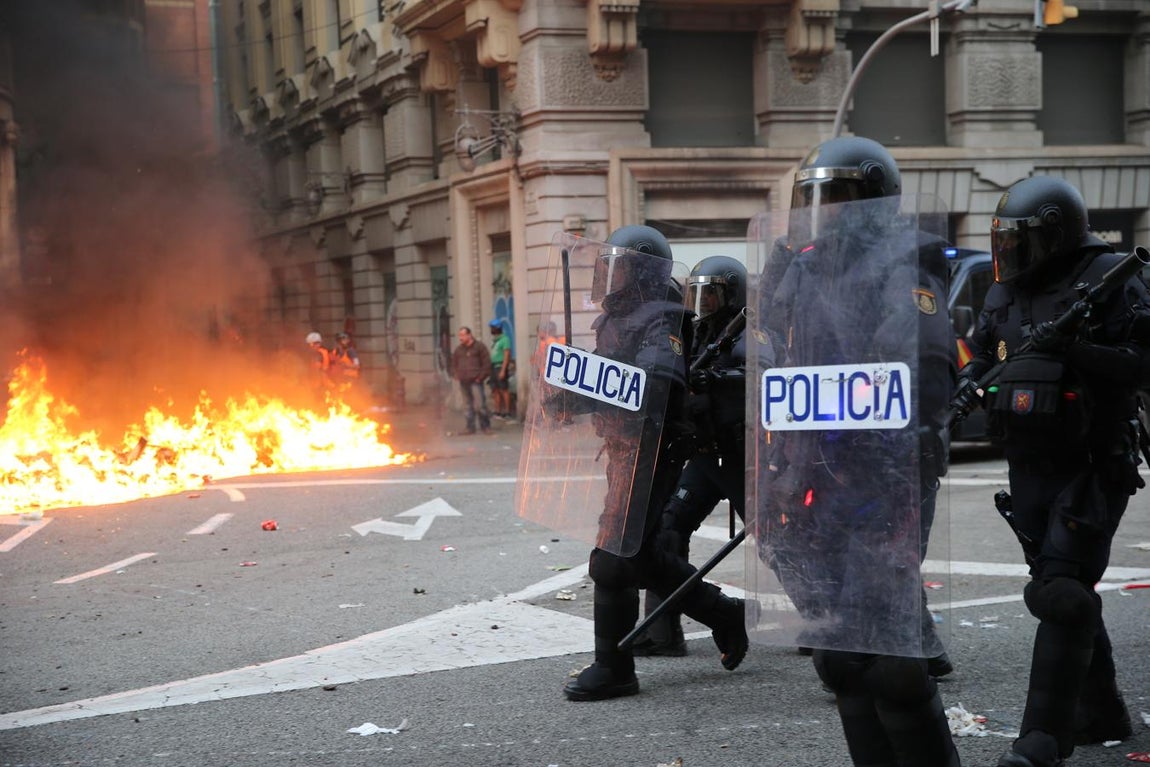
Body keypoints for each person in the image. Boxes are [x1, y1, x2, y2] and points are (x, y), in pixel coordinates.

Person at [756, 136, 960, 766]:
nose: (821, 212)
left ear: (871, 197)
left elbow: (921, 364)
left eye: (834, 198)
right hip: (816, 473)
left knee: (892, 665)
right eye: (811, 199)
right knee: (841, 656)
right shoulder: (805, 266)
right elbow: (777, 345)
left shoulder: (905, 262)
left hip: (884, 476)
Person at [953, 175, 1147, 767]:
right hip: (1028, 464)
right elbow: (986, 352)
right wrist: (968, 382)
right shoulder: (1003, 293)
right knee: (1067, 588)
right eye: (1003, 241)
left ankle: (1041, 743)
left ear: (1057, 235)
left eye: (1022, 240)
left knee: (1059, 591)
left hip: (1094, 460)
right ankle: (1102, 710)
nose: (1010, 252)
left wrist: (1075, 352)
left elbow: (1142, 365)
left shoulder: (1113, 279)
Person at [553, 225, 748, 702]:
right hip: (622, 447)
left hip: (655, 450)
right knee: (640, 557)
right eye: (607, 266)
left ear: (642, 273)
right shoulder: (614, 320)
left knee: (614, 559)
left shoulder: (662, 318)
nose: (609, 276)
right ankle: (725, 614)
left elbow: (658, 382)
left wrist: (603, 384)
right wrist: (566, 395)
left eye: (619, 267)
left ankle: (614, 667)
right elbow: (608, 378)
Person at [631, 254, 748, 657]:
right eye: (697, 294)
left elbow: (762, 379)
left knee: (781, 543)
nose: (703, 303)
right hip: (701, 457)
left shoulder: (750, 333)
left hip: (739, 458)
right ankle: (663, 630)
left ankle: (822, 627)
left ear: (732, 294)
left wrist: (715, 379)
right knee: (666, 533)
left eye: (712, 294)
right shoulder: (694, 333)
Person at [450, 326, 492, 435]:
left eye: (463, 335)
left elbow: (486, 363)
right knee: (467, 405)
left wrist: (480, 377)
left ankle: (485, 426)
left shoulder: (479, 347)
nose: (461, 338)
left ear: (469, 335)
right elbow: (453, 363)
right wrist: (456, 374)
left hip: (476, 381)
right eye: (460, 335)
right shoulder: (459, 350)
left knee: (480, 404)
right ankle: (470, 427)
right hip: (464, 381)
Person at [488, 319, 514, 419]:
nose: (491, 330)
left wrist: (503, 370)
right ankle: (497, 411)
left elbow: (506, 355)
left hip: (500, 366)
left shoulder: (505, 339)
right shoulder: (495, 340)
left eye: (492, 328)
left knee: (504, 389)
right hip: (493, 367)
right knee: (495, 389)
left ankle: (507, 411)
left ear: (497, 328)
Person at [305, 331, 334, 395]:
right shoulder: (325, 351)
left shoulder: (317, 354)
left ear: (312, 344)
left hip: (319, 383)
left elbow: (317, 369)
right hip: (326, 381)